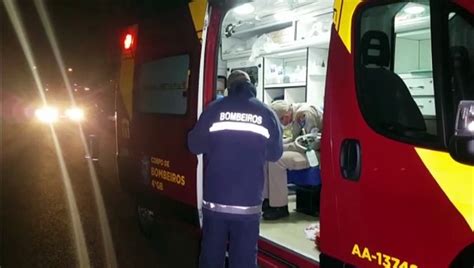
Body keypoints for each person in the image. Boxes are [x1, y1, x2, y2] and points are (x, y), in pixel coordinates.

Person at [188, 70, 283, 268]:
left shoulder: (214, 110)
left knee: (211, 259)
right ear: (251, 86)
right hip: (248, 206)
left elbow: (194, 145)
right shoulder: (266, 113)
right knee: (244, 261)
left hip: (216, 204)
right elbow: (275, 154)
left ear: (229, 88)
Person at [263, 100, 323, 220]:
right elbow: (297, 139)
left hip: (317, 152)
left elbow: (311, 143)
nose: (281, 124)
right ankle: (268, 200)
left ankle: (280, 207)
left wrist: (281, 147)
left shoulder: (305, 113)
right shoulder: (296, 115)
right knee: (266, 157)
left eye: (280, 120)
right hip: (305, 150)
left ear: (285, 116)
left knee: (277, 160)